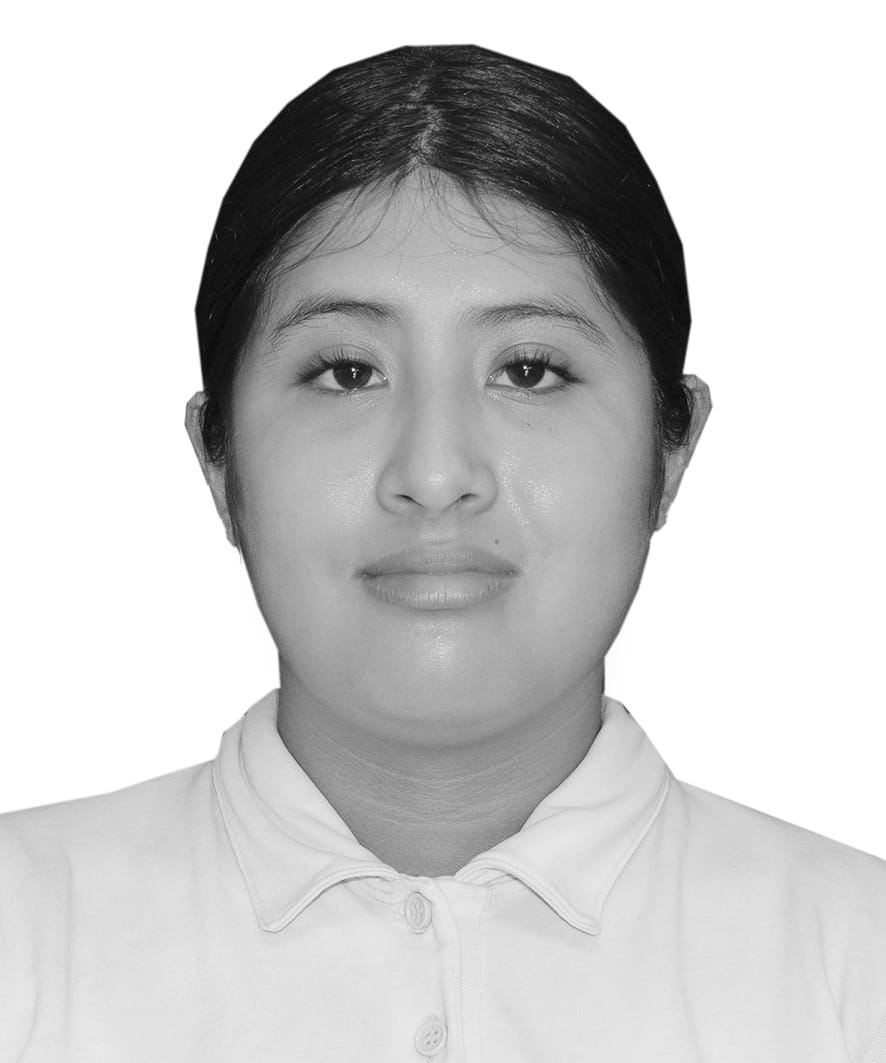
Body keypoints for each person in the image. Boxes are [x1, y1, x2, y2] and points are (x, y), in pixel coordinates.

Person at [1, 42, 884, 1062]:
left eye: (529, 369)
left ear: (671, 448)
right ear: (217, 456)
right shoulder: (25, 936)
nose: (432, 471)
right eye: (346, 371)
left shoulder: (852, 967)